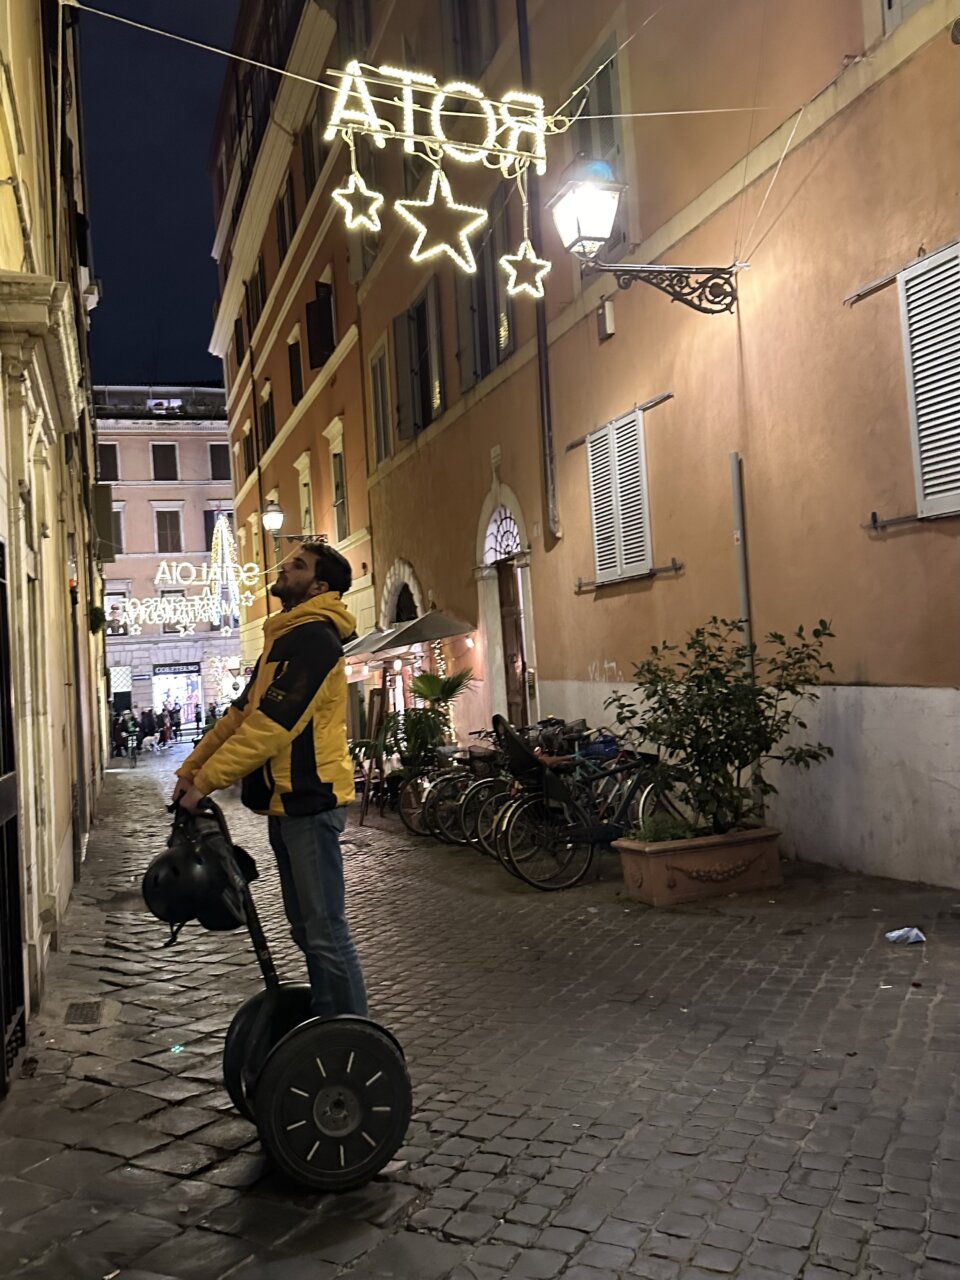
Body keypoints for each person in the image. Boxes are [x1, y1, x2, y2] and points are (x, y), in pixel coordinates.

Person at [171, 542, 366, 1018]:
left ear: (320, 586)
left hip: (312, 803)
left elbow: (273, 725)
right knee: (305, 927)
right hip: (286, 803)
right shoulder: (285, 639)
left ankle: (352, 1037)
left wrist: (208, 782)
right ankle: (327, 1022)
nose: (284, 567)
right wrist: (189, 771)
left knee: (324, 930)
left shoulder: (316, 640)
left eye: (297, 565)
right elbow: (239, 717)